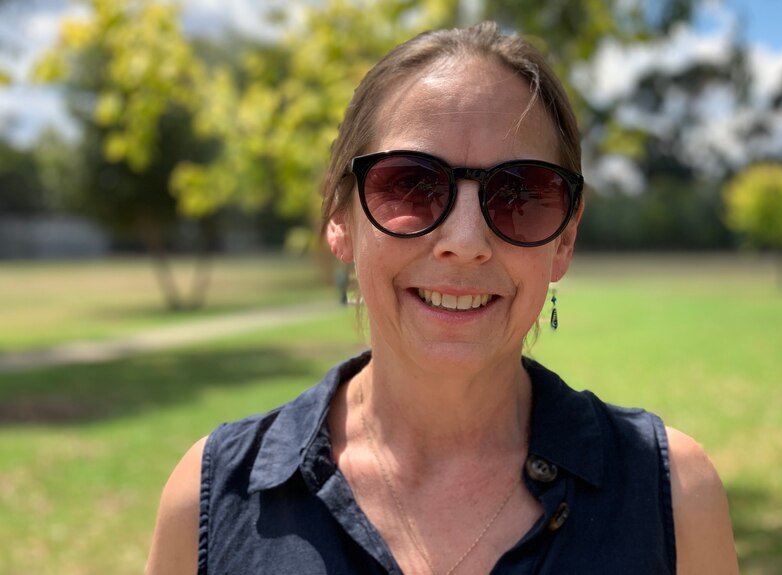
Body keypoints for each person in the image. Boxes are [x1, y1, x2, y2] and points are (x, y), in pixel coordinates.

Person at [146, 22, 738, 575]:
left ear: (565, 241)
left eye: (521, 193)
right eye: (410, 183)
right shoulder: (209, 495)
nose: (464, 242)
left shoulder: (675, 497)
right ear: (339, 216)